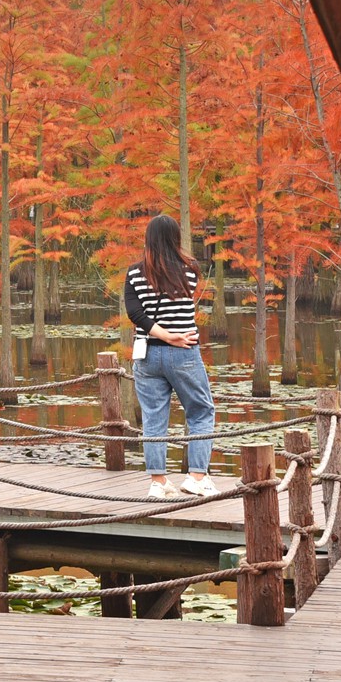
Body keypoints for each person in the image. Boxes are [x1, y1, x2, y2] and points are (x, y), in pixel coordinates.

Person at [125, 214, 217, 500]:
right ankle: (196, 476)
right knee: (201, 412)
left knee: (153, 418)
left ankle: (158, 481)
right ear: (176, 238)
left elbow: (134, 313)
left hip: (147, 355)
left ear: (149, 239)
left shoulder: (134, 273)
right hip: (184, 352)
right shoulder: (190, 270)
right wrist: (172, 336)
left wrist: (159, 334)